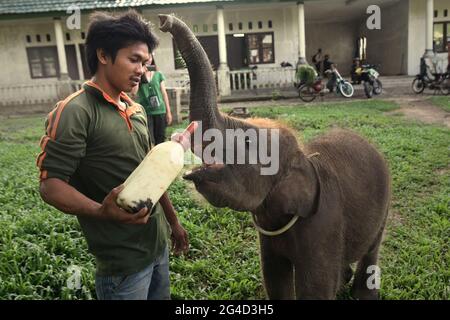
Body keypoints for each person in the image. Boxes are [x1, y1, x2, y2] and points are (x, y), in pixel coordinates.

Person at [37, 10, 189, 300]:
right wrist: (100, 211)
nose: (142, 70)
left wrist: (173, 222)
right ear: (104, 55)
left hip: (157, 247)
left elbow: (152, 172)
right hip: (122, 266)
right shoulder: (75, 112)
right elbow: (50, 185)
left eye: (145, 63)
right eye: (134, 59)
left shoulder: (136, 109)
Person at [133, 55, 172, 146]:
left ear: (152, 59)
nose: (148, 60)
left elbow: (164, 93)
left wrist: (168, 112)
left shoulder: (158, 74)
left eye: (150, 57)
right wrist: (140, 73)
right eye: (146, 58)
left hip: (160, 111)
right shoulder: (139, 74)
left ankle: (161, 158)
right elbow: (134, 92)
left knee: (161, 138)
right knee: (149, 139)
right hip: (146, 112)